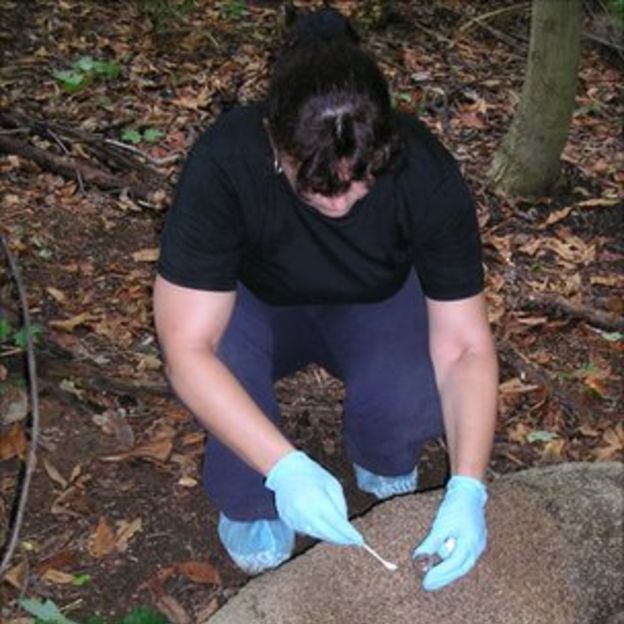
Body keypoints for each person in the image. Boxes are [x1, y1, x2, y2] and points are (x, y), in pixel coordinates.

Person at [154, 8, 498, 591]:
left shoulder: (425, 172)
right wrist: (284, 468)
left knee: (405, 384)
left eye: (358, 178)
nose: (338, 201)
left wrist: (469, 486)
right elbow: (188, 347)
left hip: (372, 302)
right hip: (255, 305)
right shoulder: (226, 161)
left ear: (384, 147)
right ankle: (254, 498)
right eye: (315, 181)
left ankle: (384, 455)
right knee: (227, 369)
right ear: (275, 143)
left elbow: (464, 346)